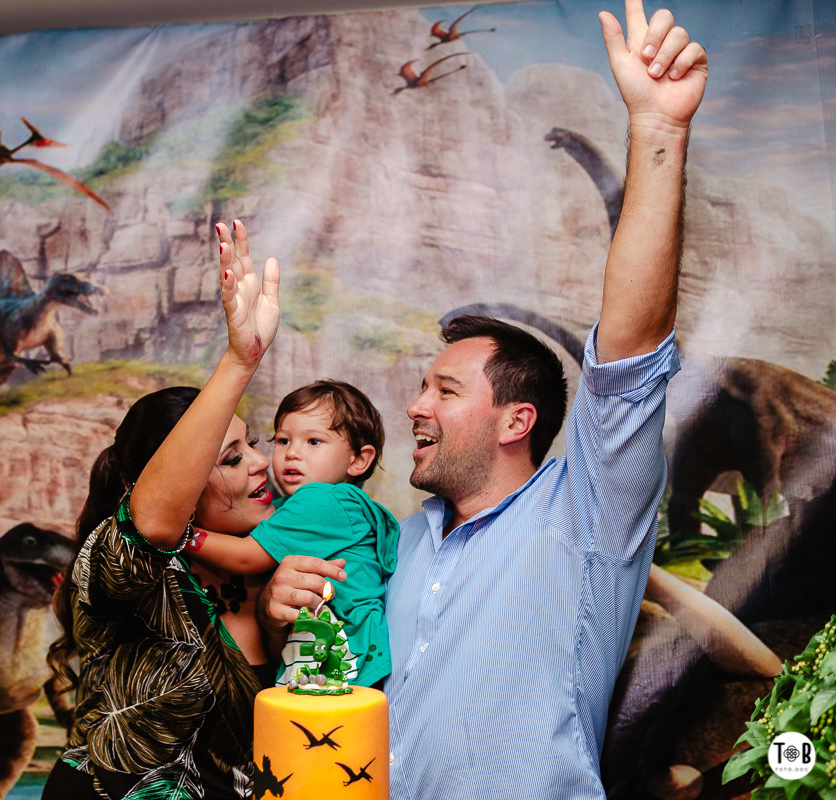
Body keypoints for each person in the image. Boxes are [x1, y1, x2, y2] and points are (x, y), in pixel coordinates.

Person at [256, 2, 708, 797]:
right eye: (421, 387)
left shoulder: (586, 516)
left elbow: (631, 355)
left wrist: (659, 129)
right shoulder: (402, 542)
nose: (414, 407)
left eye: (445, 389)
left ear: (516, 420)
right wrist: (281, 609)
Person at [43, 219, 291, 799]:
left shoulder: (273, 569)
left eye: (252, 444)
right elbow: (150, 528)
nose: (262, 464)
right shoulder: (121, 576)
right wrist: (239, 362)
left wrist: (279, 624)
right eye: (231, 459)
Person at [186, 379, 399, 688]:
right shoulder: (291, 507)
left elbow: (246, 557)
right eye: (283, 440)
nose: (292, 453)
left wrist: (180, 533)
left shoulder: (323, 500)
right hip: (326, 649)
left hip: (348, 648)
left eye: (314, 442)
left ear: (358, 460)